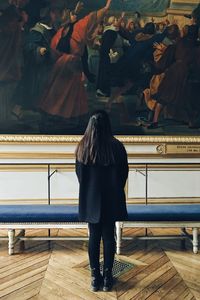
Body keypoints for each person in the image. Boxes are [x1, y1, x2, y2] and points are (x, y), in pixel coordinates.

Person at [75, 110, 128, 292]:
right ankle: (107, 278)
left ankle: (94, 278)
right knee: (109, 236)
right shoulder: (117, 146)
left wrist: (90, 190)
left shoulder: (83, 146)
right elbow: (123, 175)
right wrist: (114, 189)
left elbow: (80, 176)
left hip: (91, 200)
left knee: (94, 237)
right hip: (111, 199)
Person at [39, 0, 112, 121]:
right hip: (71, 64)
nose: (75, 15)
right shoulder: (75, 28)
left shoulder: (62, 30)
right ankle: (65, 115)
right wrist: (106, 8)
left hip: (61, 63)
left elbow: (54, 49)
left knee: (61, 90)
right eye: (72, 14)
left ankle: (59, 114)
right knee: (67, 91)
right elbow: (92, 18)